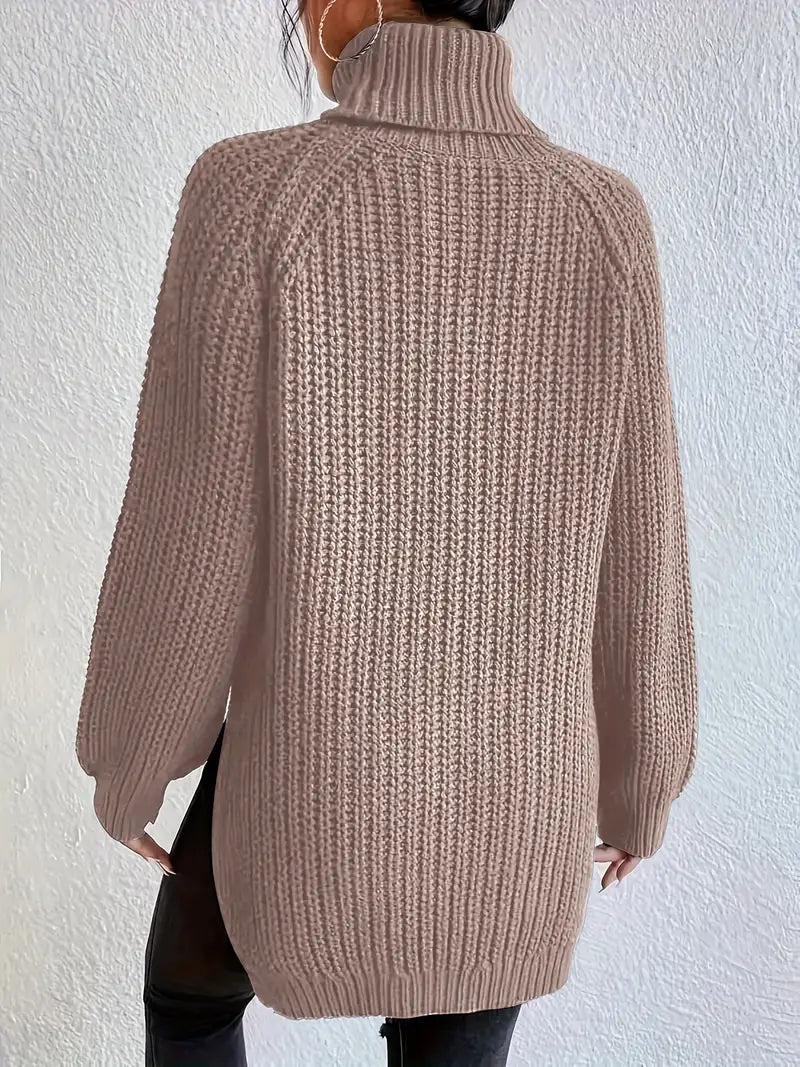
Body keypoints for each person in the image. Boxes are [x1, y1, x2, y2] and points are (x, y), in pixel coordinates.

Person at [75, 1, 699, 1064]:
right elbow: (643, 538)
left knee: (189, 1000)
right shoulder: (603, 214)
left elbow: (190, 529)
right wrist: (646, 780)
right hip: (517, 806)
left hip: (309, 783)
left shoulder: (251, 191)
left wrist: (130, 758)